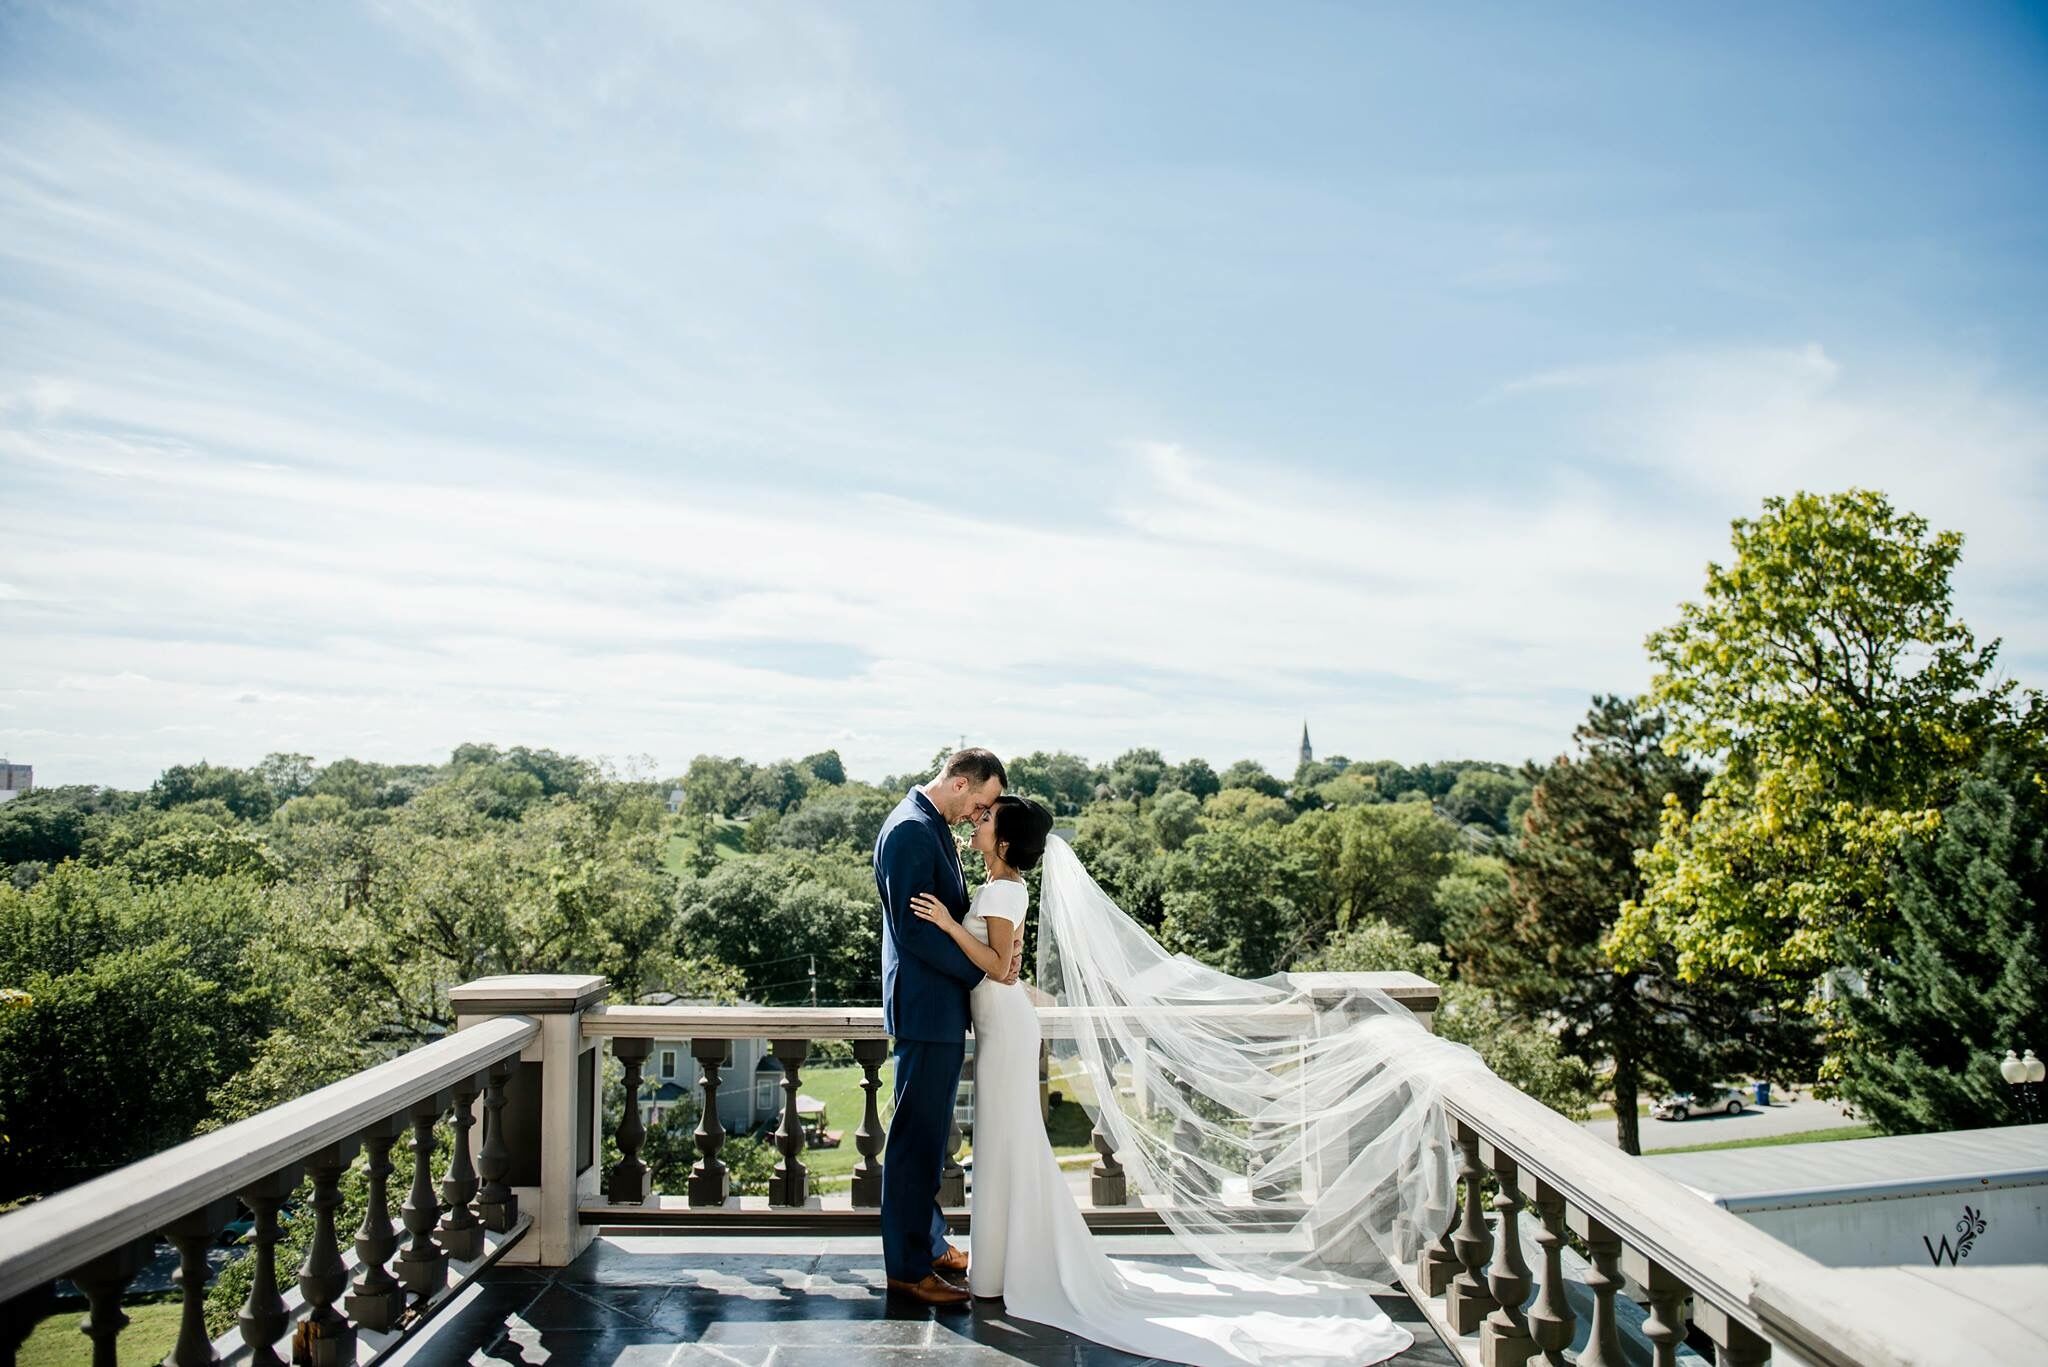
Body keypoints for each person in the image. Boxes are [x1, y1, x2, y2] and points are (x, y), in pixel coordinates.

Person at [911, 793, 1479, 1367]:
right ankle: (1007, 1264)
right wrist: (985, 949)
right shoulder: (996, 888)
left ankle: (1010, 1268)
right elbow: (1007, 965)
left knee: (1010, 1143)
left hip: (1006, 1034)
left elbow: (995, 965)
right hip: (999, 1028)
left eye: (987, 820)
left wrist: (946, 926)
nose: (977, 824)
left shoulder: (1003, 890)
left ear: (1005, 842)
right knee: (1006, 1145)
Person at [873, 748, 1020, 1306]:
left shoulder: (928, 824)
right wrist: (985, 969)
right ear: (960, 783)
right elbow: (916, 934)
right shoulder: (911, 831)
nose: (980, 816)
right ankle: (908, 1269)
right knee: (915, 1143)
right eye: (981, 803)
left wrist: (996, 955)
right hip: (925, 1005)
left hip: (937, 1004)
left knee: (932, 1141)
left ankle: (930, 1243)